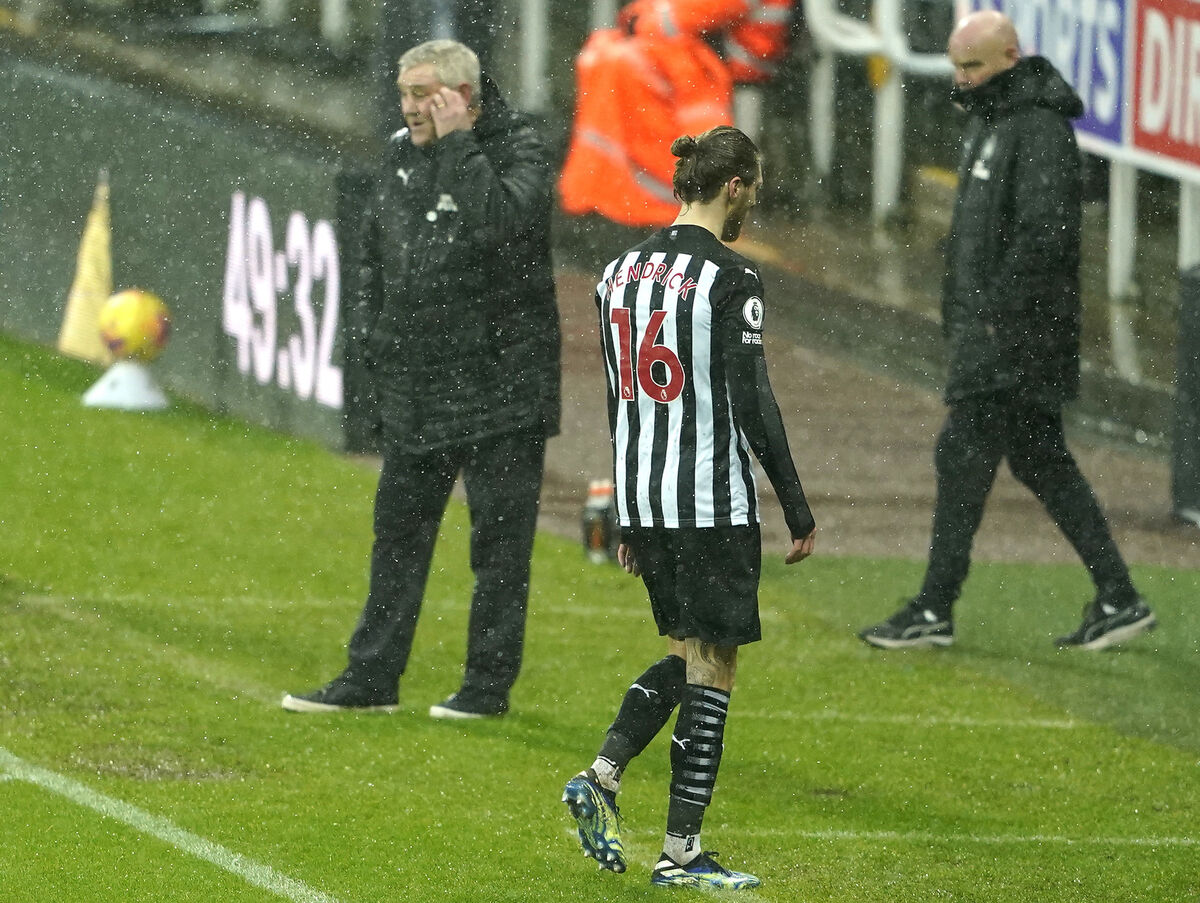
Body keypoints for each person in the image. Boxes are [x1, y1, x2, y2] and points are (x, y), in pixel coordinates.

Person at [562, 125, 816, 890]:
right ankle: (681, 851)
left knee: (683, 647)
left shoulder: (617, 271)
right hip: (707, 498)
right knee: (715, 662)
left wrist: (624, 507)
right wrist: (797, 508)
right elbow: (753, 400)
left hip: (643, 490)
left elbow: (619, 395)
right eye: (755, 191)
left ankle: (603, 776)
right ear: (734, 186)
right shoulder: (732, 278)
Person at [858, 11, 1156, 651]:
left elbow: (1044, 237)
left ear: (1010, 58)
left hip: (1013, 339)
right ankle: (1120, 596)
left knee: (962, 459)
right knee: (1041, 460)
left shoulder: (1037, 130)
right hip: (1001, 333)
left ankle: (935, 607)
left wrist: (995, 316)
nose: (962, 79)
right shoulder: (999, 124)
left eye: (974, 66)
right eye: (957, 66)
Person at [282, 39, 560, 718]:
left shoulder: (519, 149)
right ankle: (371, 676)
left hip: (505, 384)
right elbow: (378, 254)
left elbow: (501, 224)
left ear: (465, 96)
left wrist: (459, 144)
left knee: (499, 550)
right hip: (421, 382)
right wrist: (376, 344)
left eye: (423, 95)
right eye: (405, 94)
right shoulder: (402, 155)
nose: (408, 108)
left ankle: (486, 688)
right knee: (398, 537)